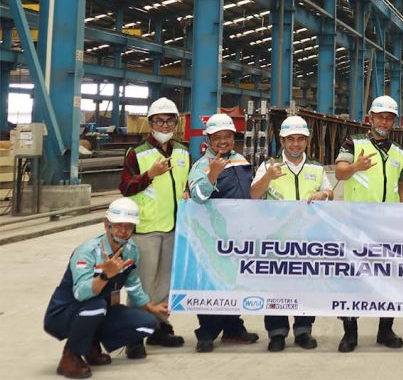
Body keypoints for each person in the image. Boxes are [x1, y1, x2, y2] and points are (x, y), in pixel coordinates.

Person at [44, 198, 168, 378]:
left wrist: (151, 307)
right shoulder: (87, 252)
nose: (123, 230)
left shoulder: (131, 250)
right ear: (106, 225)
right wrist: (105, 275)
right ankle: (70, 356)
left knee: (147, 323)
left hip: (98, 310)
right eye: (118, 225)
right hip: (64, 313)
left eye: (129, 226)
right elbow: (80, 293)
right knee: (97, 306)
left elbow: (133, 285)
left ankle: (90, 344)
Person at [250, 116, 333, 351]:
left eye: (300, 139)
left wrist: (324, 195)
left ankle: (303, 330)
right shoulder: (269, 166)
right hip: (277, 239)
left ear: (307, 140)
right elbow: (254, 194)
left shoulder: (316, 167)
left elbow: (330, 192)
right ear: (282, 140)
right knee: (276, 287)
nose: (295, 144)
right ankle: (277, 333)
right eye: (291, 139)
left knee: (305, 285)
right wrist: (268, 177)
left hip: (307, 239)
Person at [333, 95, 403, 353]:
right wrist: (356, 166)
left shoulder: (398, 151)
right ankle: (350, 333)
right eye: (380, 117)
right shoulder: (353, 142)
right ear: (370, 118)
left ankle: (385, 330)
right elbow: (340, 172)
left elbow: (401, 184)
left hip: (388, 226)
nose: (384, 122)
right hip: (357, 224)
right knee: (353, 279)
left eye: (389, 118)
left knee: (388, 279)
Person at [118, 97, 188, 354]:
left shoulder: (183, 151)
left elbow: (185, 184)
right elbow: (126, 187)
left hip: (173, 227)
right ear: (150, 123)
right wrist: (149, 175)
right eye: (159, 120)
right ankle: (134, 336)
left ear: (176, 123)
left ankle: (159, 328)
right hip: (146, 229)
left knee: (164, 284)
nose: (164, 125)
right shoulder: (136, 153)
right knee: (143, 285)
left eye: (169, 121)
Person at [186, 113, 260, 352]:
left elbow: (251, 192)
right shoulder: (201, 165)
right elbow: (197, 196)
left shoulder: (241, 160)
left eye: (227, 136)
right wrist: (213, 174)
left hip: (239, 236)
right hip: (213, 236)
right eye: (217, 137)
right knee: (212, 283)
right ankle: (206, 332)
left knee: (234, 282)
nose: (223, 141)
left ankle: (233, 328)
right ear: (208, 139)